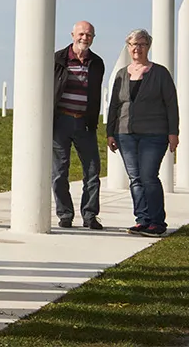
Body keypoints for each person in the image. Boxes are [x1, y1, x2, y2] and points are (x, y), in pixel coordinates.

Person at [106, 28, 179, 237]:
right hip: (125, 133)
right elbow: (114, 106)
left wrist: (173, 132)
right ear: (128, 48)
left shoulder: (160, 73)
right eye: (133, 44)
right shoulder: (122, 74)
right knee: (135, 178)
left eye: (142, 44)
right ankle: (142, 220)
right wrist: (110, 133)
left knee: (148, 176)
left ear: (148, 47)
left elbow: (171, 104)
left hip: (155, 133)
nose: (137, 48)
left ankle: (157, 222)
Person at [52, 21, 105, 229]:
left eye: (90, 35)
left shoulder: (97, 62)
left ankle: (90, 215)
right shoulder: (58, 59)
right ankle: (65, 214)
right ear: (72, 34)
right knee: (59, 172)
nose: (85, 37)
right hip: (61, 121)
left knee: (92, 171)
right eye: (81, 34)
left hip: (85, 122)